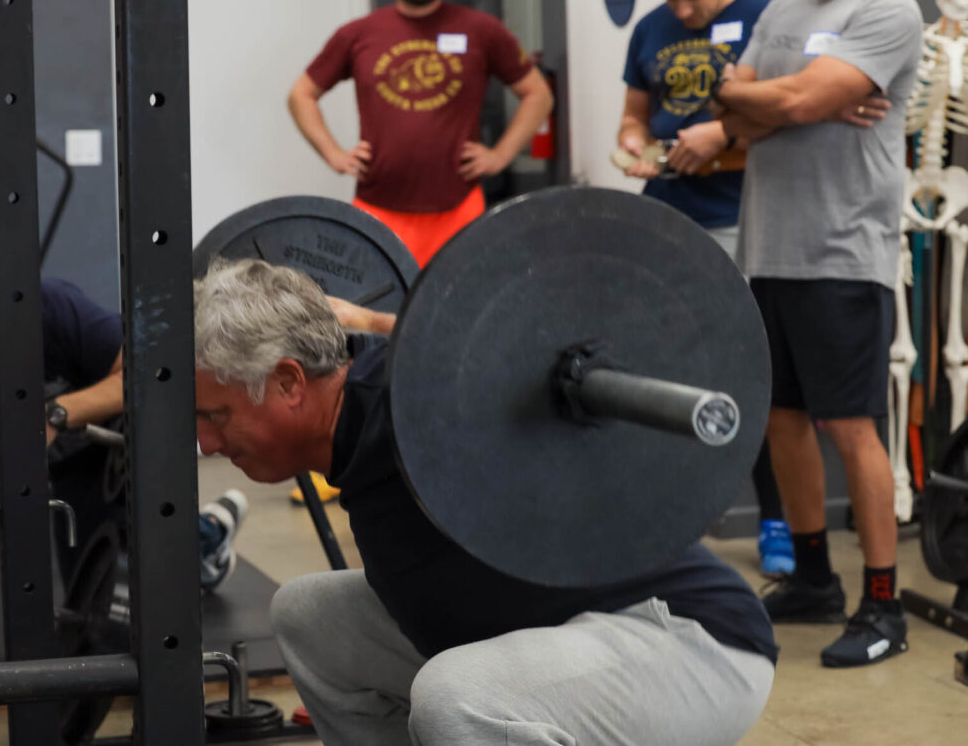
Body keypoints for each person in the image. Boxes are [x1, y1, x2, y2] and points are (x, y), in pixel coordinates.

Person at [193, 259, 776, 745]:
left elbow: (514, 354)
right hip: (550, 631)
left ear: (291, 382)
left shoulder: (422, 406)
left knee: (458, 697)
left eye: (217, 416)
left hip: (683, 640)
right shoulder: (358, 417)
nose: (207, 443)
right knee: (306, 614)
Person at [694, 0, 923, 667]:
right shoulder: (783, 10)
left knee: (851, 427)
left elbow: (783, 105)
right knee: (781, 418)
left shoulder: (887, 9)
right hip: (770, 250)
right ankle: (816, 579)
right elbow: (732, 105)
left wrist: (782, 100)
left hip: (842, 252)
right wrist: (770, 97)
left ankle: (884, 605)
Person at [0, 266, 246, 664]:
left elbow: (150, 373)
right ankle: (207, 539)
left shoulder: (44, 310)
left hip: (125, 437)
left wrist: (55, 413)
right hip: (71, 477)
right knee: (98, 623)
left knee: (142, 601)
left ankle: (196, 539)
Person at [616, 0, 793, 576]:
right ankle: (668, 518)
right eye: (673, 0)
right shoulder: (652, 28)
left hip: (745, 220)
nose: (683, 12)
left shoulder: (768, 17)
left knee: (753, 373)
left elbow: (788, 118)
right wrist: (636, 142)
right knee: (661, 370)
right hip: (665, 221)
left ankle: (776, 519)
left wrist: (717, 140)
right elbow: (635, 113)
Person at [287, 0, 553, 269]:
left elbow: (538, 94)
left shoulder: (481, 30)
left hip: (459, 208)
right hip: (378, 210)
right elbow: (301, 95)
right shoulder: (358, 34)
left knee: (459, 312)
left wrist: (500, 155)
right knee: (378, 316)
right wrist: (334, 155)